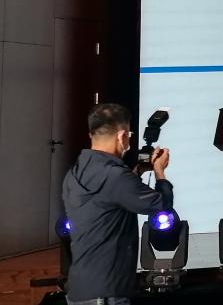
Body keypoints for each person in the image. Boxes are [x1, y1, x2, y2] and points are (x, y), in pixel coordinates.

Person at [62, 103, 173, 305]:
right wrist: (159, 172)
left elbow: (110, 195)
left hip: (81, 289)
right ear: (122, 136)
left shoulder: (75, 173)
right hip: (106, 295)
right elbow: (161, 205)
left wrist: (138, 171)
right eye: (129, 135)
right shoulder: (115, 176)